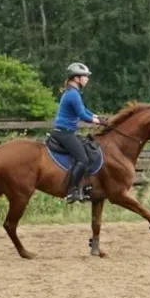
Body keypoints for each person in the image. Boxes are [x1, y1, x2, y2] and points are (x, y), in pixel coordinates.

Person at [49, 62, 108, 203]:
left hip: (66, 132)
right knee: (83, 159)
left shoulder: (73, 92)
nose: (87, 79)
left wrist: (97, 116)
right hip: (64, 133)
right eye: (85, 76)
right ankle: (72, 190)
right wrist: (98, 121)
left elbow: (85, 110)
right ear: (76, 78)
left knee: (87, 150)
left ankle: (84, 186)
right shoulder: (73, 94)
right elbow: (82, 115)